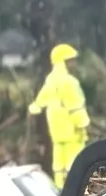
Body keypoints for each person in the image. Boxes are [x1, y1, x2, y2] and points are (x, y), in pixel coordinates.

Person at [29, 43, 91, 188]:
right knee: (76, 164)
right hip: (73, 134)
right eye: (71, 60)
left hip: (57, 135)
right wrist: (84, 124)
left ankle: (61, 193)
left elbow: (40, 102)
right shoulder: (70, 82)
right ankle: (78, 192)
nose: (73, 64)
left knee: (59, 168)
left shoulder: (50, 80)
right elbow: (76, 108)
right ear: (63, 62)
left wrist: (32, 109)